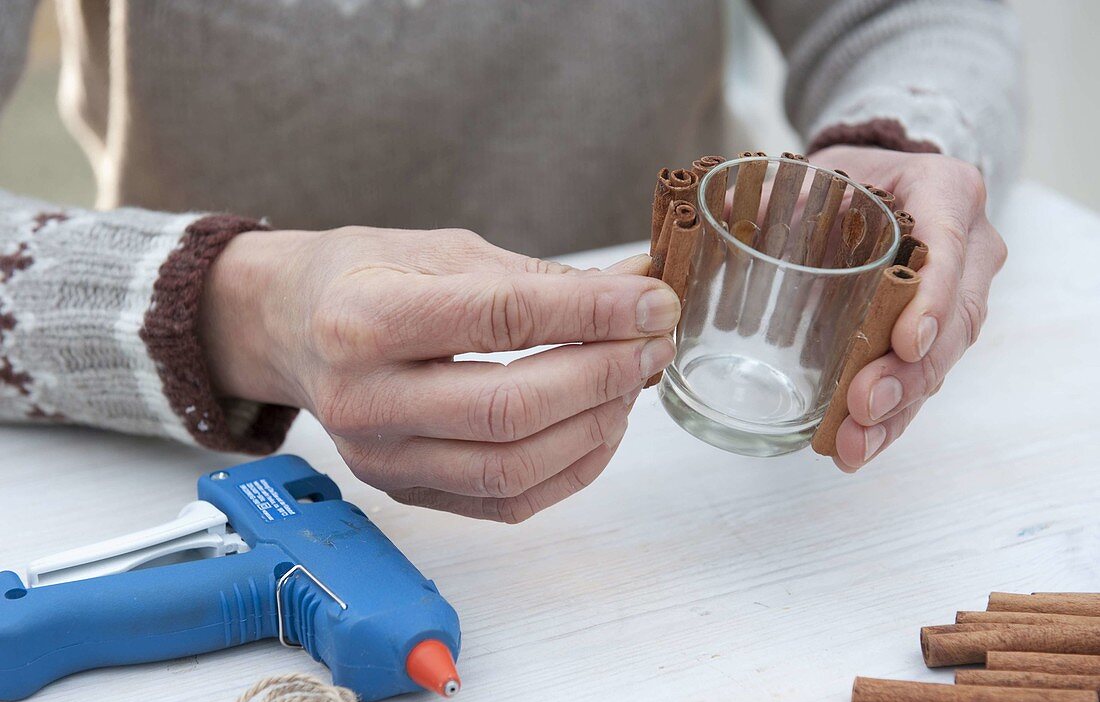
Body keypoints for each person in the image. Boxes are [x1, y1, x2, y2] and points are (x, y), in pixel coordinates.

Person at [0, 1, 1018, 521]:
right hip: (199, 468)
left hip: (683, 474)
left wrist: (904, 142)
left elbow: (911, 15)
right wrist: (232, 309)